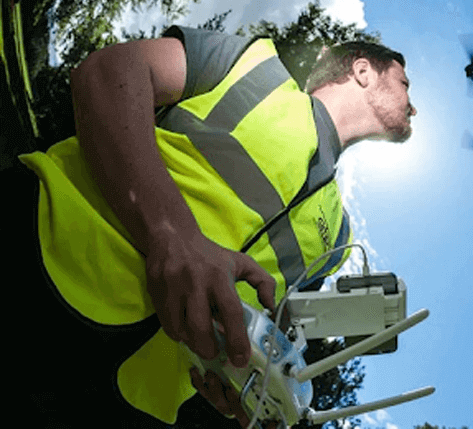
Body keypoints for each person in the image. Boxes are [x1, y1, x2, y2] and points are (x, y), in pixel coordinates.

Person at [8, 25, 416, 427]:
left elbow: (272, 324)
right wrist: (172, 233)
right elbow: (106, 73)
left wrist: (247, 387)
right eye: (404, 83)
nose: (413, 106)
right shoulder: (256, 66)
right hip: (35, 263)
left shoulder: (340, 239)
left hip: (120, 405)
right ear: (363, 71)